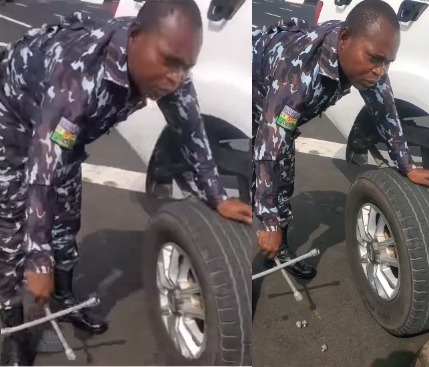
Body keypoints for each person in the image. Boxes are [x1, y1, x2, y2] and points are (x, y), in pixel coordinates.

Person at [0, 0, 252, 364]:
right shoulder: (80, 78)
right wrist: (37, 260)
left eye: (186, 67)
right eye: (169, 62)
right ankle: (12, 325)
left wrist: (216, 196)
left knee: (67, 206)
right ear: (134, 37)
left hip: (63, 127)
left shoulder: (171, 74)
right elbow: (41, 175)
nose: (176, 79)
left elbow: (192, 132)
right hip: (16, 112)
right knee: (12, 225)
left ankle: (64, 297)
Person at [252, 0, 429, 278]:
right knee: (253, 165)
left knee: (281, 171)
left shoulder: (370, 62)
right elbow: (270, 147)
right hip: (253, 90)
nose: (380, 71)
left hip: (277, 103)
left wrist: (407, 165)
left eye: (386, 62)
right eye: (375, 59)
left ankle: (279, 249)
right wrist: (269, 221)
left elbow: (387, 114)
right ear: (345, 39)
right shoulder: (296, 76)